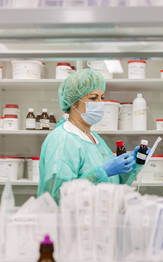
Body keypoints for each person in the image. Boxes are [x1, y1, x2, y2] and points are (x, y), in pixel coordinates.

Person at [37, 69, 147, 203]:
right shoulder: (62, 140)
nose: (100, 103)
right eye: (93, 98)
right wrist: (101, 173)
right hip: (70, 222)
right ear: (73, 102)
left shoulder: (94, 138)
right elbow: (58, 196)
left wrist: (132, 166)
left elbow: (113, 184)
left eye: (102, 98)